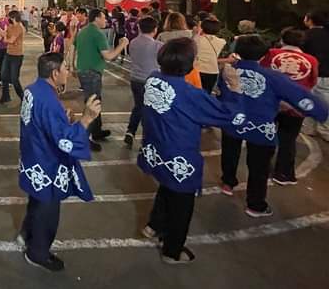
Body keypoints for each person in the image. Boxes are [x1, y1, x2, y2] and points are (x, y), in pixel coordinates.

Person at [138, 38, 244, 264]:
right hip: (179, 155)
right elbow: (230, 116)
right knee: (182, 202)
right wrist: (234, 89)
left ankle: (154, 225)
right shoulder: (189, 94)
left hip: (156, 149)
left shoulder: (153, 79)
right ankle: (172, 250)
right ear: (190, 64)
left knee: (167, 186)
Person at [219, 35, 328, 216]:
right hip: (260, 126)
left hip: (232, 121)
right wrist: (320, 111)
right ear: (263, 55)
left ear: (236, 52)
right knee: (259, 166)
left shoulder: (228, 71)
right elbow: (299, 95)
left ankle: (228, 183)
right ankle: (255, 204)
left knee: (229, 152)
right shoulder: (271, 76)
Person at [18, 53, 101, 272]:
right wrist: (86, 119)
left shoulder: (33, 90)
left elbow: (42, 123)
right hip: (47, 164)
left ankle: (27, 234)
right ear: (55, 73)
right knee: (47, 210)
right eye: (65, 67)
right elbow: (64, 140)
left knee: (36, 202)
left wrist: (62, 118)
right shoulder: (47, 99)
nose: (69, 71)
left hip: (33, 157)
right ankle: (37, 253)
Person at [260, 28, 319, 184]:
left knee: (266, 135)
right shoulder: (311, 60)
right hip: (296, 105)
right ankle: (285, 174)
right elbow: (312, 82)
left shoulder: (271, 54)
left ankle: (263, 169)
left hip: (271, 103)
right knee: (289, 139)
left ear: (282, 39)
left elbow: (262, 74)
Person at [74, 9, 128, 151]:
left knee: (94, 101)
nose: (106, 21)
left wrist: (72, 66)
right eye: (104, 18)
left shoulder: (83, 31)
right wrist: (122, 45)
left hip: (83, 70)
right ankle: (86, 137)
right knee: (93, 104)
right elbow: (108, 56)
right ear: (96, 18)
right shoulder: (97, 33)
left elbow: (73, 49)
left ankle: (96, 131)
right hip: (92, 73)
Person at [125, 17, 162, 148]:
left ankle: (131, 131)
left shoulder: (133, 42)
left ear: (139, 28)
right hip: (150, 80)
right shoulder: (157, 45)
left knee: (138, 106)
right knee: (151, 109)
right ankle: (147, 137)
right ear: (155, 30)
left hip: (135, 79)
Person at [302, 10, 329, 141]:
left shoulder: (307, 36)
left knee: (310, 100)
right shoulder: (326, 34)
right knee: (324, 100)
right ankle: (321, 128)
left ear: (310, 20)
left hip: (313, 73)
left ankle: (311, 128)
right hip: (327, 73)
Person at [0, 11, 26, 104]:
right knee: (4, 76)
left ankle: (23, 97)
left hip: (17, 56)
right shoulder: (10, 26)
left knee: (14, 78)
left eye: (9, 17)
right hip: (9, 53)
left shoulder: (19, 27)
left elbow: (11, 40)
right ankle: (5, 96)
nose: (7, 19)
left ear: (14, 17)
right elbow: (3, 33)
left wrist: (5, 38)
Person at [194, 17, 228, 93]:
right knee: (207, 92)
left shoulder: (198, 39)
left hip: (198, 68)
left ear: (202, 28)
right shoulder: (222, 42)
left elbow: (193, 41)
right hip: (212, 70)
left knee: (197, 92)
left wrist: (199, 32)